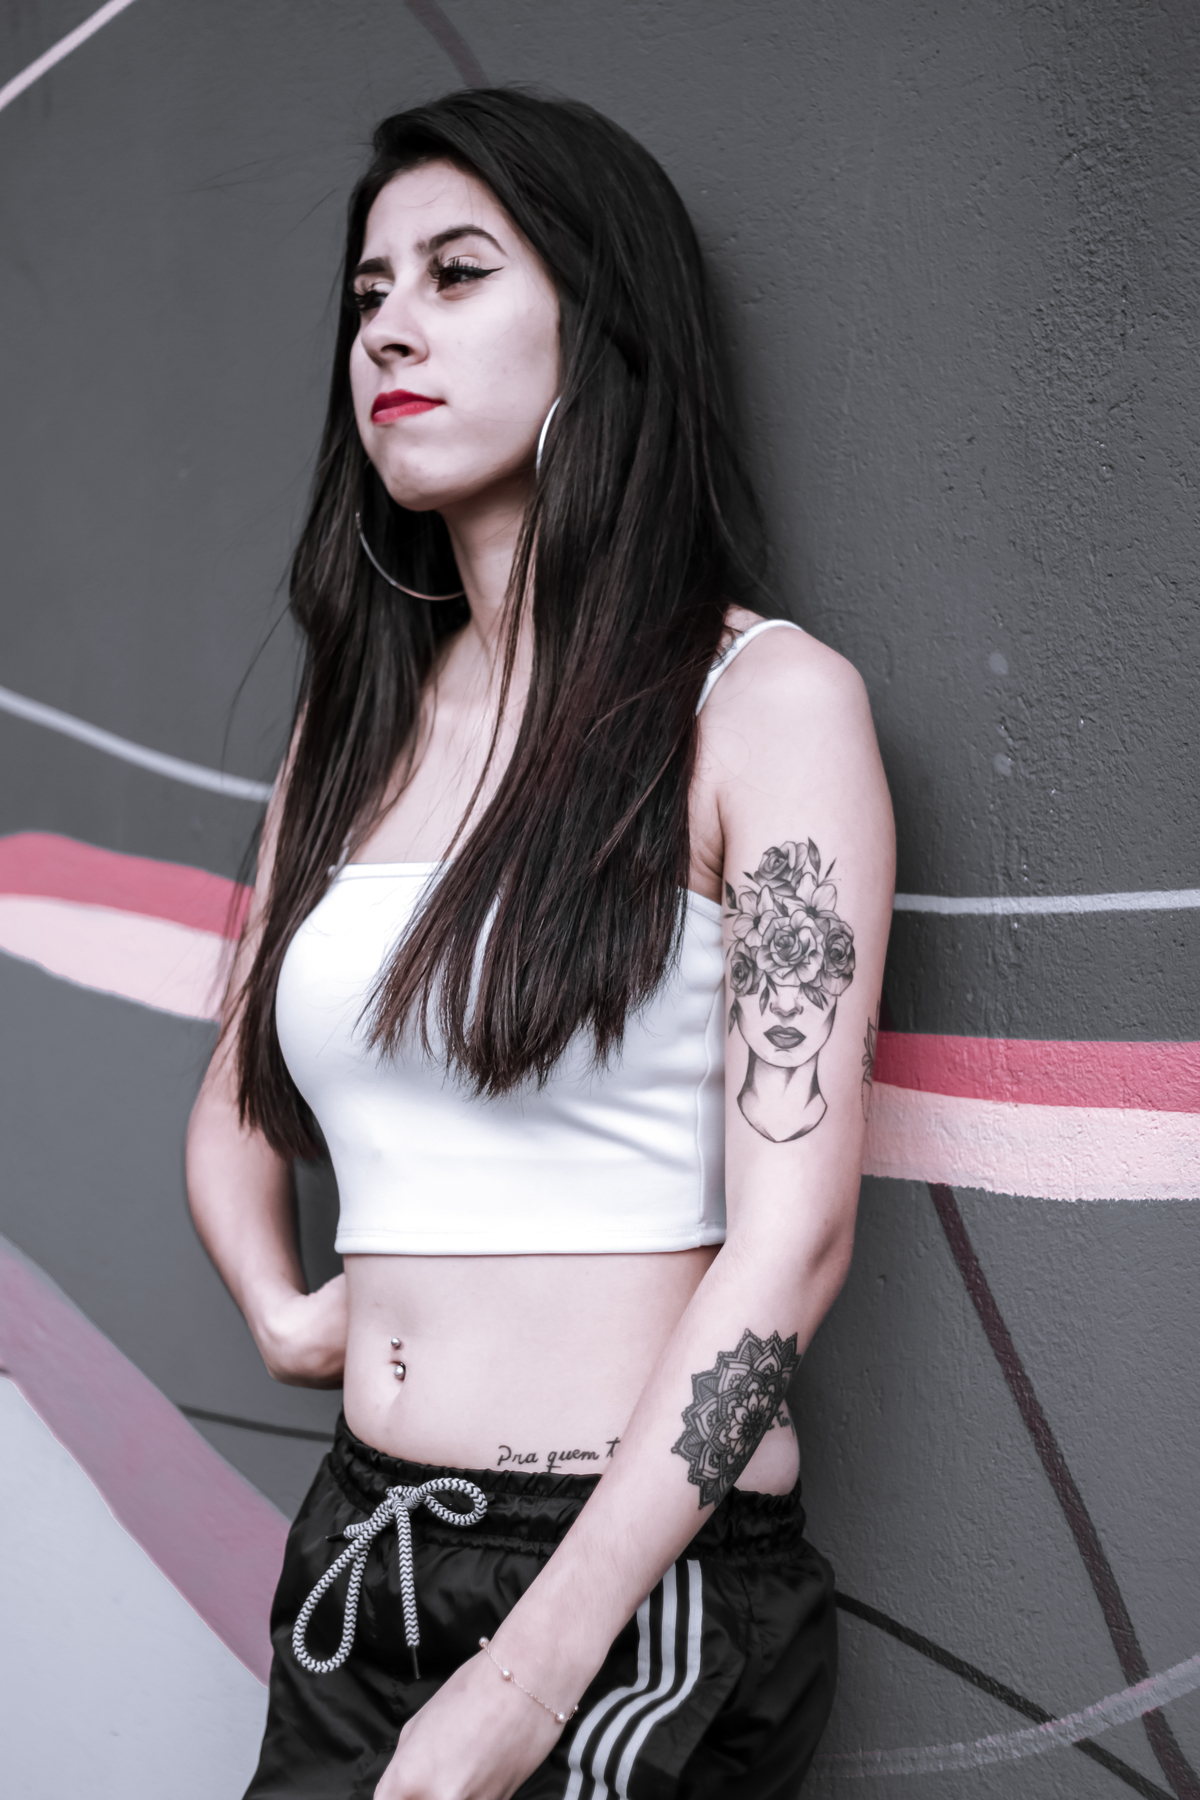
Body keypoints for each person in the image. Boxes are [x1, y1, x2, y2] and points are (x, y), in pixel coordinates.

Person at [186, 87, 894, 1800]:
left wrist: (530, 1677)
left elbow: (792, 1242)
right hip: (366, 1543)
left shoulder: (763, 704)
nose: (389, 329)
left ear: (601, 321)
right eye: (369, 293)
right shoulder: (355, 726)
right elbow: (234, 1099)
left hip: (631, 1594)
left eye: (456, 273)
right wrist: (282, 1313)